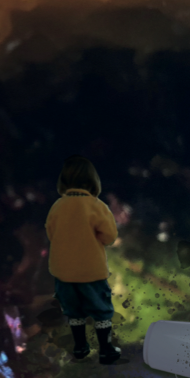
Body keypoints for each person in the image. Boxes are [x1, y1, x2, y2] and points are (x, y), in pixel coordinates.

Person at [45, 156, 122, 365]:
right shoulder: (96, 206)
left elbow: (51, 233)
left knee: (73, 311)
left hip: (63, 272)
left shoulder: (57, 206)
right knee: (101, 310)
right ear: (93, 180)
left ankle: (80, 347)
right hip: (91, 272)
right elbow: (109, 236)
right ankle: (105, 349)